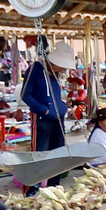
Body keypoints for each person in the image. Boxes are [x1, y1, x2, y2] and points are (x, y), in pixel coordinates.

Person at [21, 39, 74, 197]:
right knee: (39, 153)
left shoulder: (55, 74)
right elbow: (25, 95)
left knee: (57, 153)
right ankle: (32, 190)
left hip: (57, 119)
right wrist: (43, 110)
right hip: (42, 119)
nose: (63, 69)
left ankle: (54, 187)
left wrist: (63, 107)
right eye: (61, 65)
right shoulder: (35, 69)